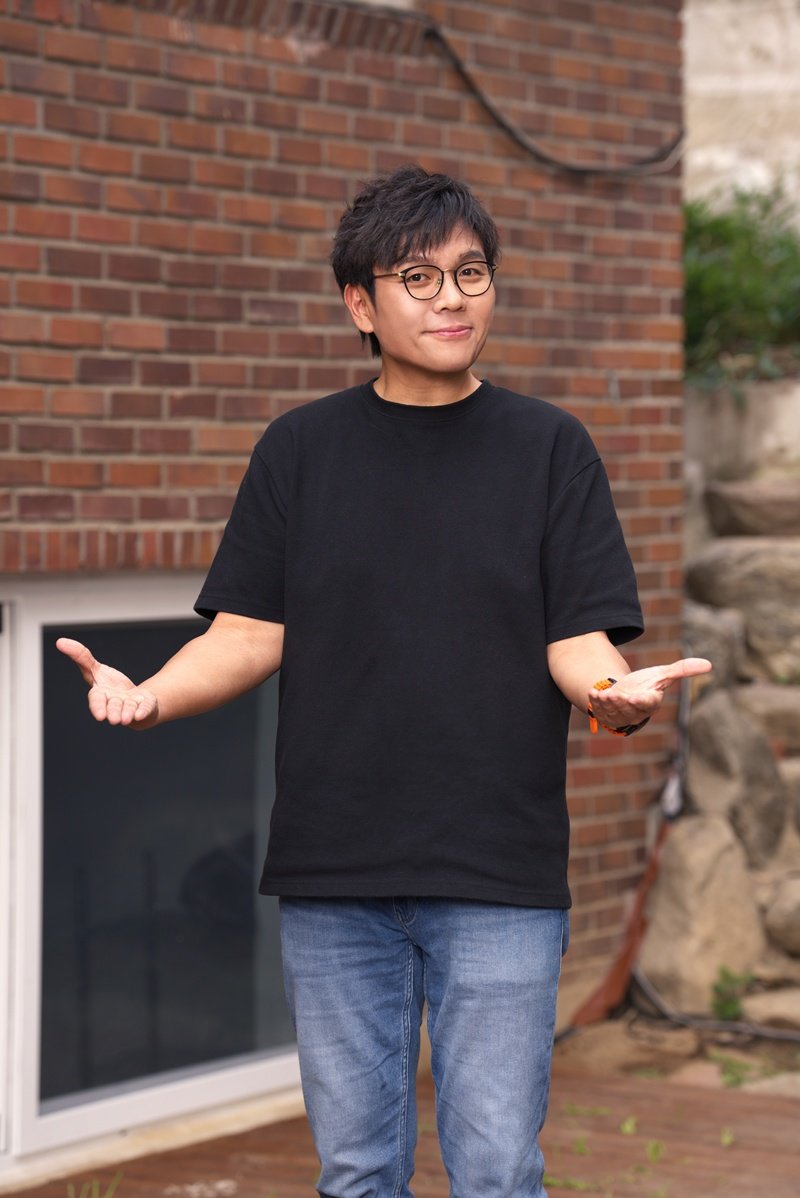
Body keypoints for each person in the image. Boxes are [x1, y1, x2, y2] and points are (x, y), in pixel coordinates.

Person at [59, 165, 710, 1198]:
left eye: (470, 273)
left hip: (496, 873)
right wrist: (153, 696)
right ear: (359, 305)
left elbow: (577, 641)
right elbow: (246, 633)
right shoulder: (300, 451)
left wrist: (612, 695)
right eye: (418, 277)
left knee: (496, 1170)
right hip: (336, 875)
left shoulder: (549, 449)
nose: (451, 298)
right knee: (356, 1171)